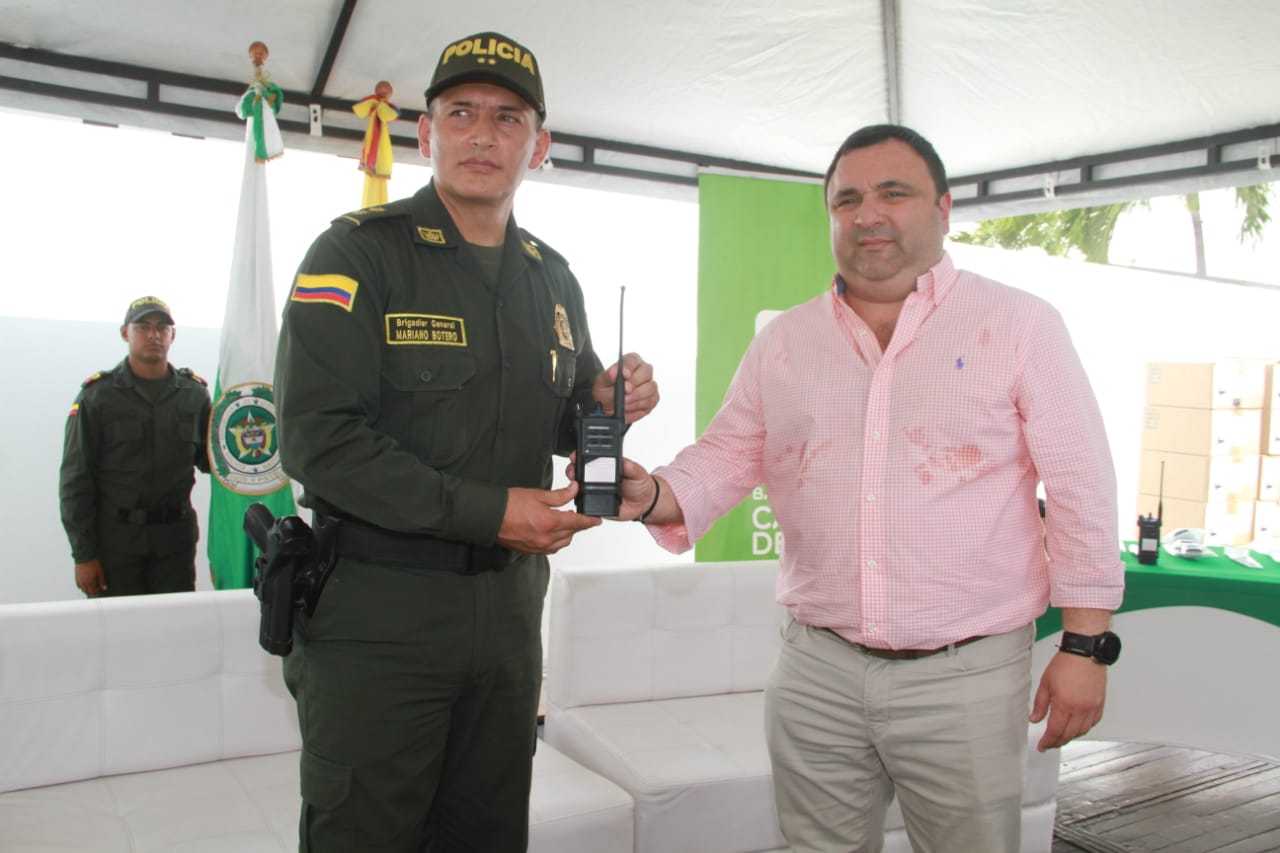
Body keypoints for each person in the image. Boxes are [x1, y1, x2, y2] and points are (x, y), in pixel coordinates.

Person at [597, 124, 1124, 852]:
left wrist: (1086, 646)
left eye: (893, 192)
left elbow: (1081, 486)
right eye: (847, 199)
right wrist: (652, 492)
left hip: (965, 673)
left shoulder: (1020, 324)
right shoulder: (785, 339)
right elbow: (728, 452)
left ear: (943, 207)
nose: (867, 213)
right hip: (817, 667)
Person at [273, 30, 658, 853]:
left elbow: (563, 415)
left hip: (511, 613)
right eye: (462, 113)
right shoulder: (356, 253)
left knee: (486, 833)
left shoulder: (552, 277)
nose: (484, 135)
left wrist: (610, 405)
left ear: (539, 144)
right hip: (381, 611)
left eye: (509, 119)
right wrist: (491, 512)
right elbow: (317, 442)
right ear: (427, 133)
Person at [59, 296, 211, 597]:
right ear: (125, 332)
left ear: (173, 335)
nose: (153, 335)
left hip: (174, 543)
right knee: (118, 636)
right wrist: (84, 555)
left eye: (162, 327)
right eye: (143, 326)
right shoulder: (97, 397)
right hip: (116, 543)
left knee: (174, 632)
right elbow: (76, 480)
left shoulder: (195, 396)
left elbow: (212, 461)